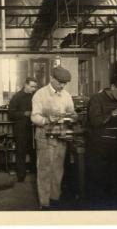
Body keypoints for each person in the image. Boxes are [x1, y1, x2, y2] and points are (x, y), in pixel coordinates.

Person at [85, 73, 117, 209]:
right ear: (113, 87)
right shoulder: (97, 99)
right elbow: (96, 122)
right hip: (97, 151)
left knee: (114, 186)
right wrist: (116, 111)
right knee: (97, 187)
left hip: (115, 149)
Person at [31, 66, 76, 210]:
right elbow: (34, 117)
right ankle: (44, 203)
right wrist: (47, 119)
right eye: (60, 82)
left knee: (58, 169)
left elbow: (71, 112)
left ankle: (54, 198)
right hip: (45, 136)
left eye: (65, 83)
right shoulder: (40, 94)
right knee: (45, 170)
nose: (62, 86)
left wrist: (73, 116)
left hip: (61, 136)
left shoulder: (66, 95)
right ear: (52, 79)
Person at [8, 77, 38, 182]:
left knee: (34, 150)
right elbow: (10, 114)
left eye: (35, 87)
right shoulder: (17, 97)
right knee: (21, 152)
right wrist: (24, 113)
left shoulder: (36, 95)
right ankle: (21, 175)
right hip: (21, 129)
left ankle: (35, 172)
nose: (33, 89)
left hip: (34, 127)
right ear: (25, 84)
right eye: (31, 86)